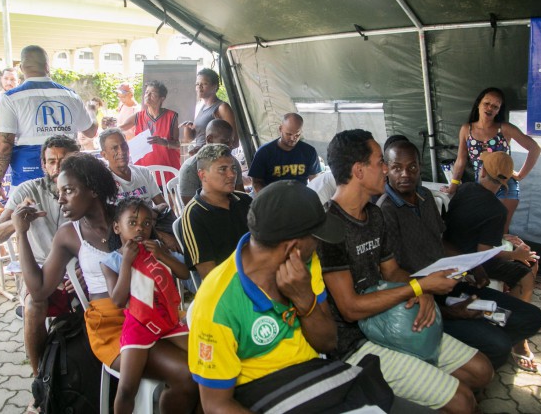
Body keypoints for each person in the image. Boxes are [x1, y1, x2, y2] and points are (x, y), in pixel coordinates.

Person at [319, 129, 493, 413]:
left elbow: (392, 271)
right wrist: (417, 288)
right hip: (355, 343)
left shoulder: (374, 215)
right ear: (359, 171)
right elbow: (350, 308)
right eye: (380, 162)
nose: (385, 169)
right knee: (463, 401)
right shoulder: (330, 228)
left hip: (390, 318)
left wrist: (420, 290)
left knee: (482, 371)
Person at [189, 180, 399, 413]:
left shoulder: (306, 264)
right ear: (292, 248)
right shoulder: (217, 302)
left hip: (317, 376)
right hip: (262, 392)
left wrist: (305, 300)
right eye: (316, 237)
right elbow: (216, 405)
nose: (318, 245)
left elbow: (328, 342)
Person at [12, 153, 198, 413]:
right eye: (59, 192)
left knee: (206, 361)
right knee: (187, 373)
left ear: (93, 189)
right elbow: (39, 290)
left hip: (153, 311)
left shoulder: (129, 217)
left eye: (68, 190)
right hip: (113, 325)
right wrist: (20, 233)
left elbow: (165, 259)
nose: (60, 199)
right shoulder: (69, 234)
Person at [377, 139, 541, 372]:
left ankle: (483, 342)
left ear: (419, 167)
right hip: (420, 298)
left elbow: (440, 240)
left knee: (531, 317)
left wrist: (475, 266)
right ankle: (472, 357)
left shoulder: (424, 196)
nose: (405, 174)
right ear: (386, 168)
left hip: (450, 285)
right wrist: (448, 312)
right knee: (497, 345)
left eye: (412, 167)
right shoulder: (384, 211)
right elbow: (391, 273)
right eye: (397, 167)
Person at [0, 135, 80, 377]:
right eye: (52, 161)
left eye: (64, 160)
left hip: (80, 270)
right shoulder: (28, 190)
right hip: (38, 272)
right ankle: (40, 378)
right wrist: (17, 222)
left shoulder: (86, 190)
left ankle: (92, 369)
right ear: (43, 165)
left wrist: (85, 269)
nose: (57, 167)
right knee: (34, 304)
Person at [444, 150, 541, 372]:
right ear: (505, 182)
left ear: (481, 172)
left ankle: (511, 318)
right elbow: (485, 252)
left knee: (523, 258)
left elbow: (472, 227)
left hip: (450, 251)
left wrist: (503, 238)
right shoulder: (497, 210)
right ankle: (518, 338)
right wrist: (516, 255)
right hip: (474, 262)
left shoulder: (465, 189)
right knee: (527, 272)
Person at [101, 197, 195, 414]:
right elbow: (117, 300)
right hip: (138, 325)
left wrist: (162, 255)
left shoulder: (156, 249)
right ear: (117, 227)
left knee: (204, 358)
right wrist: (127, 262)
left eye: (146, 223)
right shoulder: (112, 261)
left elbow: (184, 274)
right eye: (132, 223)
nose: (140, 229)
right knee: (127, 388)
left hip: (167, 320)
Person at [0, 45, 97, 192]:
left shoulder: (11, 98)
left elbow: (3, 145)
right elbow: (91, 132)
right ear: (47, 67)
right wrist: (92, 112)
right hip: (66, 180)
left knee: (27, 208)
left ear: (21, 68)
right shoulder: (71, 96)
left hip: (27, 181)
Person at [441, 87, 541, 233]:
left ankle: (503, 248)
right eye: (487, 103)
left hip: (505, 185)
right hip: (481, 184)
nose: (490, 108)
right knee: (481, 227)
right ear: (478, 104)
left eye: (495, 106)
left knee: (500, 230)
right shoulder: (466, 129)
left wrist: (520, 175)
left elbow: (535, 148)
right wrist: (453, 185)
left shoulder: (505, 128)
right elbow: (461, 160)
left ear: (499, 110)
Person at [99, 127, 179, 250]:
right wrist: (159, 235)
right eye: (115, 148)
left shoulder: (144, 172)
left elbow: (162, 205)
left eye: (124, 146)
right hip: (127, 240)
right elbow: (111, 221)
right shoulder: (104, 181)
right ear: (104, 154)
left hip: (151, 226)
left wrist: (154, 216)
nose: (122, 151)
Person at [180, 144, 252, 280]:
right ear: (203, 175)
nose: (232, 174)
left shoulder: (244, 200)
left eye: (233, 168)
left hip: (259, 273)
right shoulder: (194, 214)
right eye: (222, 169)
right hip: (230, 285)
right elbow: (209, 275)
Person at [118, 80, 180, 186]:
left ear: (162, 98)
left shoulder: (171, 116)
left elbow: (177, 144)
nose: (147, 95)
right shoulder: (138, 116)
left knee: (169, 195)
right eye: (146, 92)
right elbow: (120, 128)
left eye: (152, 93)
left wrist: (163, 142)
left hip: (168, 170)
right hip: (145, 170)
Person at [248, 113, 321, 193]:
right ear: (280, 129)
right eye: (289, 134)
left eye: (297, 134)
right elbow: (256, 182)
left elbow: (315, 181)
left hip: (300, 197)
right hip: (272, 197)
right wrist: (267, 198)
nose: (293, 138)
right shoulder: (264, 152)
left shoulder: (309, 151)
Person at [178, 119, 244, 205]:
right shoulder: (190, 168)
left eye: (231, 142)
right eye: (226, 142)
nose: (231, 146)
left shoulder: (232, 162)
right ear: (210, 139)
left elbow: (240, 196)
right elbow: (191, 205)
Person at [181, 68, 239, 154]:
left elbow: (234, 142)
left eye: (204, 84)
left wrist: (205, 149)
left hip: (214, 159)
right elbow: (189, 139)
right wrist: (187, 127)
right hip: (201, 157)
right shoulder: (202, 108)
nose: (199, 87)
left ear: (215, 86)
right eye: (197, 84)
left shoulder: (222, 107)